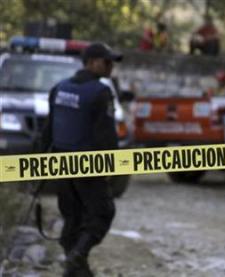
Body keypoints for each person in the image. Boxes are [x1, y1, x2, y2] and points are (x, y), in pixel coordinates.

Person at [42, 43, 122, 277]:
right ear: (93, 62)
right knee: (102, 213)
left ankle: (74, 268)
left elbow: (47, 131)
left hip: (60, 162)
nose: (111, 67)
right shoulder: (100, 92)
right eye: (107, 62)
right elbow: (105, 135)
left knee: (72, 216)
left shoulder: (59, 88)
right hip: (87, 163)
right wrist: (112, 166)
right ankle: (78, 256)